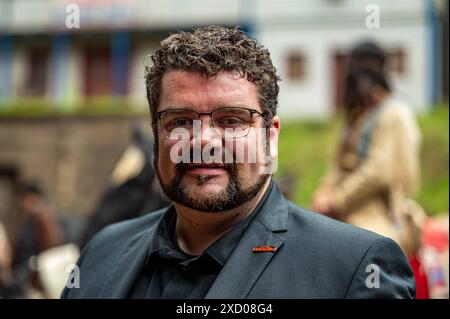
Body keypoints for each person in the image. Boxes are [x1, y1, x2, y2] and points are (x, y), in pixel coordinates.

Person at [62, 27, 415, 299]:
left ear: (270, 137)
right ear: (156, 136)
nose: (203, 141)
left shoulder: (355, 266)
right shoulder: (102, 252)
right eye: (180, 121)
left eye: (231, 120)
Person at [312, 41, 423, 257]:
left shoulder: (394, 114)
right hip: (347, 206)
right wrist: (323, 193)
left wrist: (336, 200)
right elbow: (338, 164)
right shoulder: (358, 117)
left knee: (363, 248)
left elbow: (380, 172)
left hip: (380, 210)